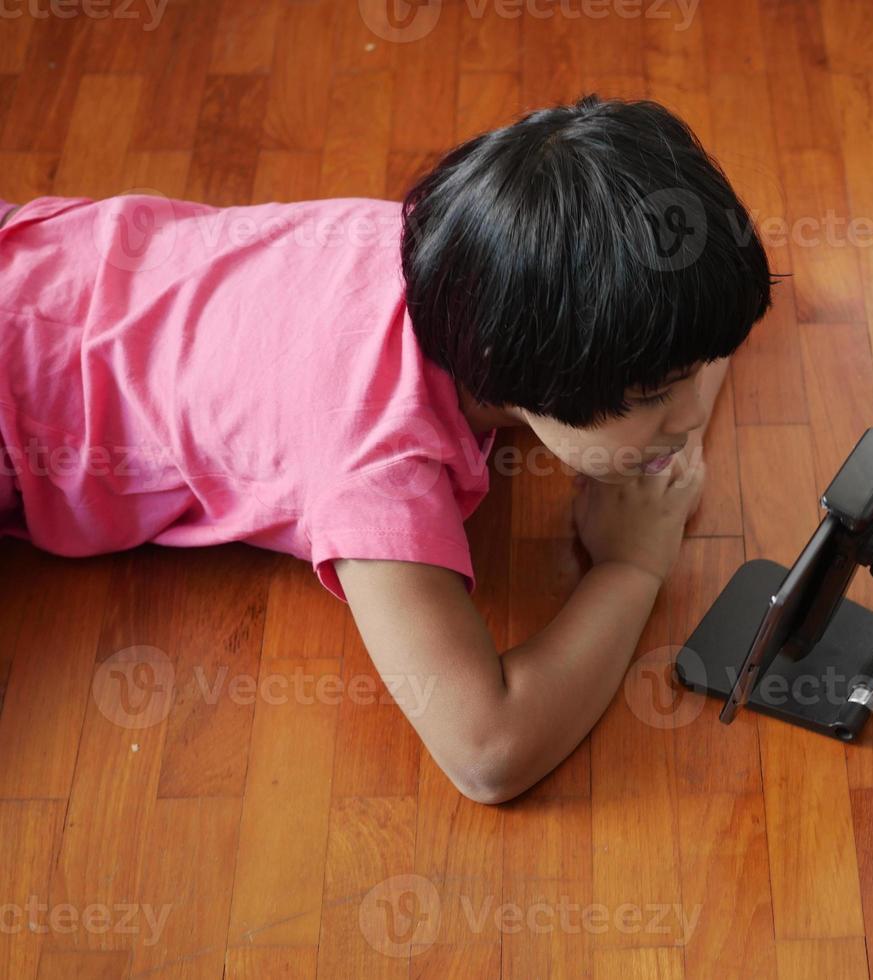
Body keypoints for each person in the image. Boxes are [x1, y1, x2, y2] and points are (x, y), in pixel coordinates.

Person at [0, 94, 777, 803]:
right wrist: (631, 564)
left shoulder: (464, 241)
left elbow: (703, 333)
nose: (687, 418)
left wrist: (654, 424)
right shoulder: (373, 462)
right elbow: (486, 749)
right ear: (525, 372)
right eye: (653, 398)